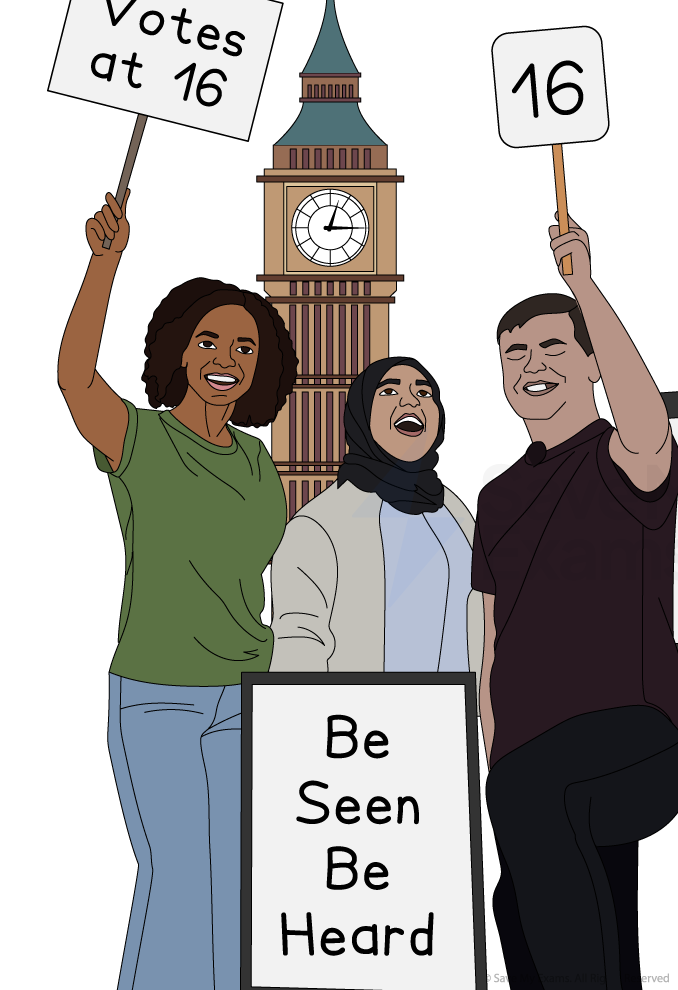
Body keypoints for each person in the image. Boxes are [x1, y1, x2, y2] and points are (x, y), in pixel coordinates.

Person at [59, 192, 296, 990]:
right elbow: (72, 378)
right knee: (177, 873)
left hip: (246, 693)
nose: (227, 355)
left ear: (263, 369)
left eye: (245, 346)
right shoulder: (140, 440)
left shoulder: (261, 462)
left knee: (236, 880)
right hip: (158, 690)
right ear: (182, 350)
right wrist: (104, 264)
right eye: (209, 340)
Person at [474, 216, 678, 990]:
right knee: (527, 913)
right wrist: (493, 747)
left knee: (536, 803)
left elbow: (650, 421)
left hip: (637, 739)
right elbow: (491, 640)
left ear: (592, 362)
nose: (532, 365)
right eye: (515, 354)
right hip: (529, 761)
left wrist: (584, 283)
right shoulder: (497, 498)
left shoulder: (621, 457)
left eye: (552, 348)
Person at [268, 358, 483, 691]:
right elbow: (299, 641)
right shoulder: (319, 525)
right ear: (361, 415)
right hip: (363, 732)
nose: (410, 401)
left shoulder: (454, 512)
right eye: (389, 390)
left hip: (451, 724)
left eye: (424, 392)